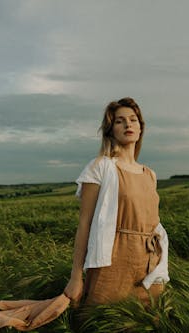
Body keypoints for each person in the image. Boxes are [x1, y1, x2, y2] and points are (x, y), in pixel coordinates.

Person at [63, 97, 170, 308]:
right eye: (120, 121)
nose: (128, 124)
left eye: (133, 120)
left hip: (149, 265)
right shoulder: (99, 167)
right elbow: (84, 223)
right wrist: (76, 276)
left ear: (140, 129)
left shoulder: (150, 174)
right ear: (111, 130)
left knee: (148, 323)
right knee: (101, 320)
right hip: (113, 262)